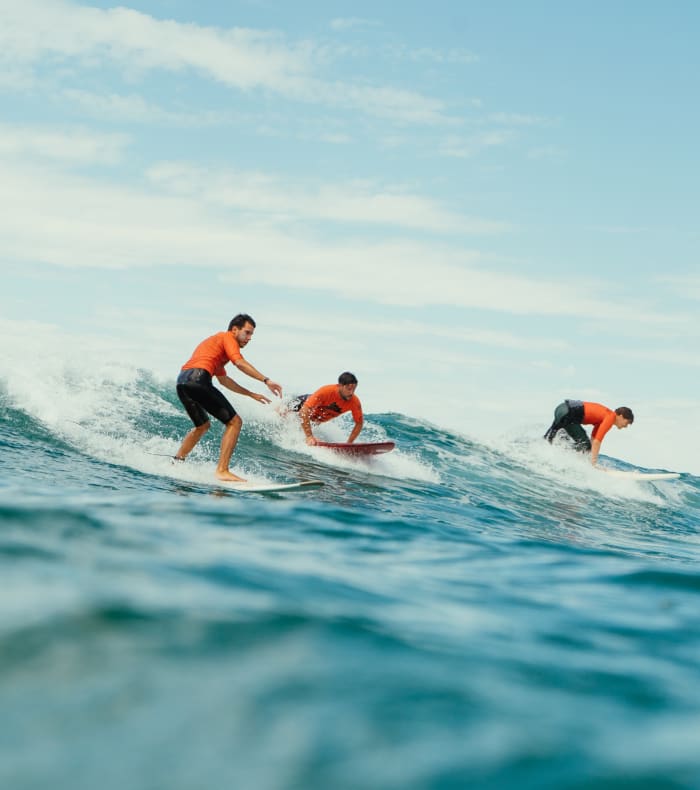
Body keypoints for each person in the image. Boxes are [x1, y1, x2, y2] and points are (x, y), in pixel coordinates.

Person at [174, 314, 282, 482]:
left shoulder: (216, 347)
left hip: (183, 382)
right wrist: (266, 380)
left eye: (252, 334)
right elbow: (239, 363)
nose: (249, 338)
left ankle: (177, 461)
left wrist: (251, 394)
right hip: (198, 378)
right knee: (235, 422)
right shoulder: (227, 338)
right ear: (234, 329)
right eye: (247, 333)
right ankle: (222, 470)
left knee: (202, 426)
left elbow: (224, 380)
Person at [544, 400, 634, 466]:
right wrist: (593, 464)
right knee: (585, 445)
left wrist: (590, 457)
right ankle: (572, 463)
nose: (625, 426)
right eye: (626, 423)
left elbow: (594, 438)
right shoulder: (610, 417)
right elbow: (597, 442)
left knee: (549, 440)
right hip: (569, 413)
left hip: (562, 409)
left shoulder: (605, 415)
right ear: (621, 416)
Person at [290, 372, 363, 446]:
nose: (351, 392)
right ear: (340, 386)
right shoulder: (326, 391)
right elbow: (304, 411)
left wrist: (349, 443)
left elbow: (359, 423)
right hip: (301, 403)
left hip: (314, 419)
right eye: (349, 389)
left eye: (354, 389)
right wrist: (309, 436)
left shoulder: (354, 402)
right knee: (282, 415)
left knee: (300, 428)